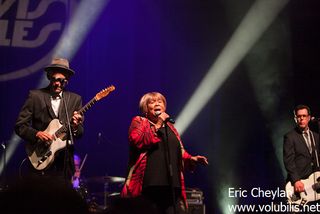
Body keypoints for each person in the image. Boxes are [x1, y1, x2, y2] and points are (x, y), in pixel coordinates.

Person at [121, 92, 208, 214]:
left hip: (172, 185)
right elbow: (137, 141)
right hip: (149, 185)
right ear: (146, 108)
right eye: (152, 102)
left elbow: (180, 151)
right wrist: (157, 124)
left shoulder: (171, 128)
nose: (157, 103)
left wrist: (191, 158)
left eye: (160, 101)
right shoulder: (139, 121)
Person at [15, 57, 84, 187]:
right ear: (49, 77)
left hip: (63, 164)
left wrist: (75, 126)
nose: (57, 83)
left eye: (61, 80)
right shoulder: (35, 96)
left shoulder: (75, 99)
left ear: (67, 80)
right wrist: (36, 134)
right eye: (54, 79)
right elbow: (20, 126)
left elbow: (80, 133)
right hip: (40, 159)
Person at [283, 104, 320, 195]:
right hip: (300, 182)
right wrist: (296, 180)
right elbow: (288, 161)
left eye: (304, 116)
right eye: (299, 116)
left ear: (309, 118)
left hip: (314, 184)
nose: (301, 118)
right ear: (296, 119)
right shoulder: (290, 137)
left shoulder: (316, 136)